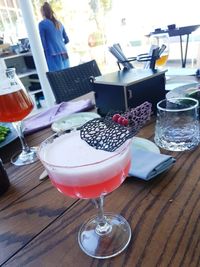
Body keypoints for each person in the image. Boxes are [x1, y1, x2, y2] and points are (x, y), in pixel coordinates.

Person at [39, 2, 70, 71]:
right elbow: (67, 40)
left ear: (43, 13)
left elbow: (43, 42)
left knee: (56, 79)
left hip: (52, 55)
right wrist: (59, 44)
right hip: (64, 53)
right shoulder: (59, 23)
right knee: (67, 76)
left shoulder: (42, 24)